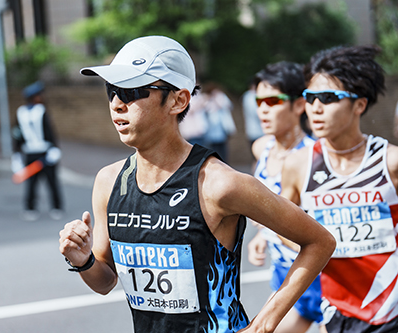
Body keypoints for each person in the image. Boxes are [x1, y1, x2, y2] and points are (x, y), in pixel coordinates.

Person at [58, 35, 335, 333]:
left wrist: (262, 326)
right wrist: (83, 260)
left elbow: (319, 241)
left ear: (179, 100)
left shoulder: (219, 183)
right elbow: (105, 281)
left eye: (132, 91)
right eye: (112, 90)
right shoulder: (110, 182)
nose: (116, 104)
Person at [281, 45, 398, 332]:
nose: (315, 108)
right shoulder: (298, 165)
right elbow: (281, 228)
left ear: (359, 104)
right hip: (337, 310)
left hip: (393, 308)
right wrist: (320, 248)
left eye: (329, 98)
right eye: (310, 98)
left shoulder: (390, 161)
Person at [246, 61, 321, 333]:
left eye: (272, 101)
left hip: (315, 274)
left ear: (299, 105)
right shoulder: (261, 149)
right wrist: (261, 236)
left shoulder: (315, 158)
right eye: (258, 102)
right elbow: (275, 206)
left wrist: (271, 228)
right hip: (282, 271)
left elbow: (313, 224)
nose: (263, 110)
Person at [12, 81, 64, 221]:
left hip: (44, 153)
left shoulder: (23, 112)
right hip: (34, 153)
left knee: (51, 182)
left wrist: (53, 149)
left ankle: (55, 206)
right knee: (33, 183)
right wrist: (17, 155)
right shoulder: (37, 111)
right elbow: (18, 133)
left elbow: (17, 134)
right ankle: (32, 207)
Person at [201, 82, 236, 163]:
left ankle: (224, 162)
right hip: (210, 129)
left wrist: (216, 99)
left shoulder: (221, 97)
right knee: (213, 148)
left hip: (221, 128)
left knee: (223, 148)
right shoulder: (206, 99)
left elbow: (228, 106)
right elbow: (204, 110)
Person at [242, 82, 263, 147]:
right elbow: (256, 113)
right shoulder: (253, 96)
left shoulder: (246, 96)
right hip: (259, 131)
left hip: (251, 130)